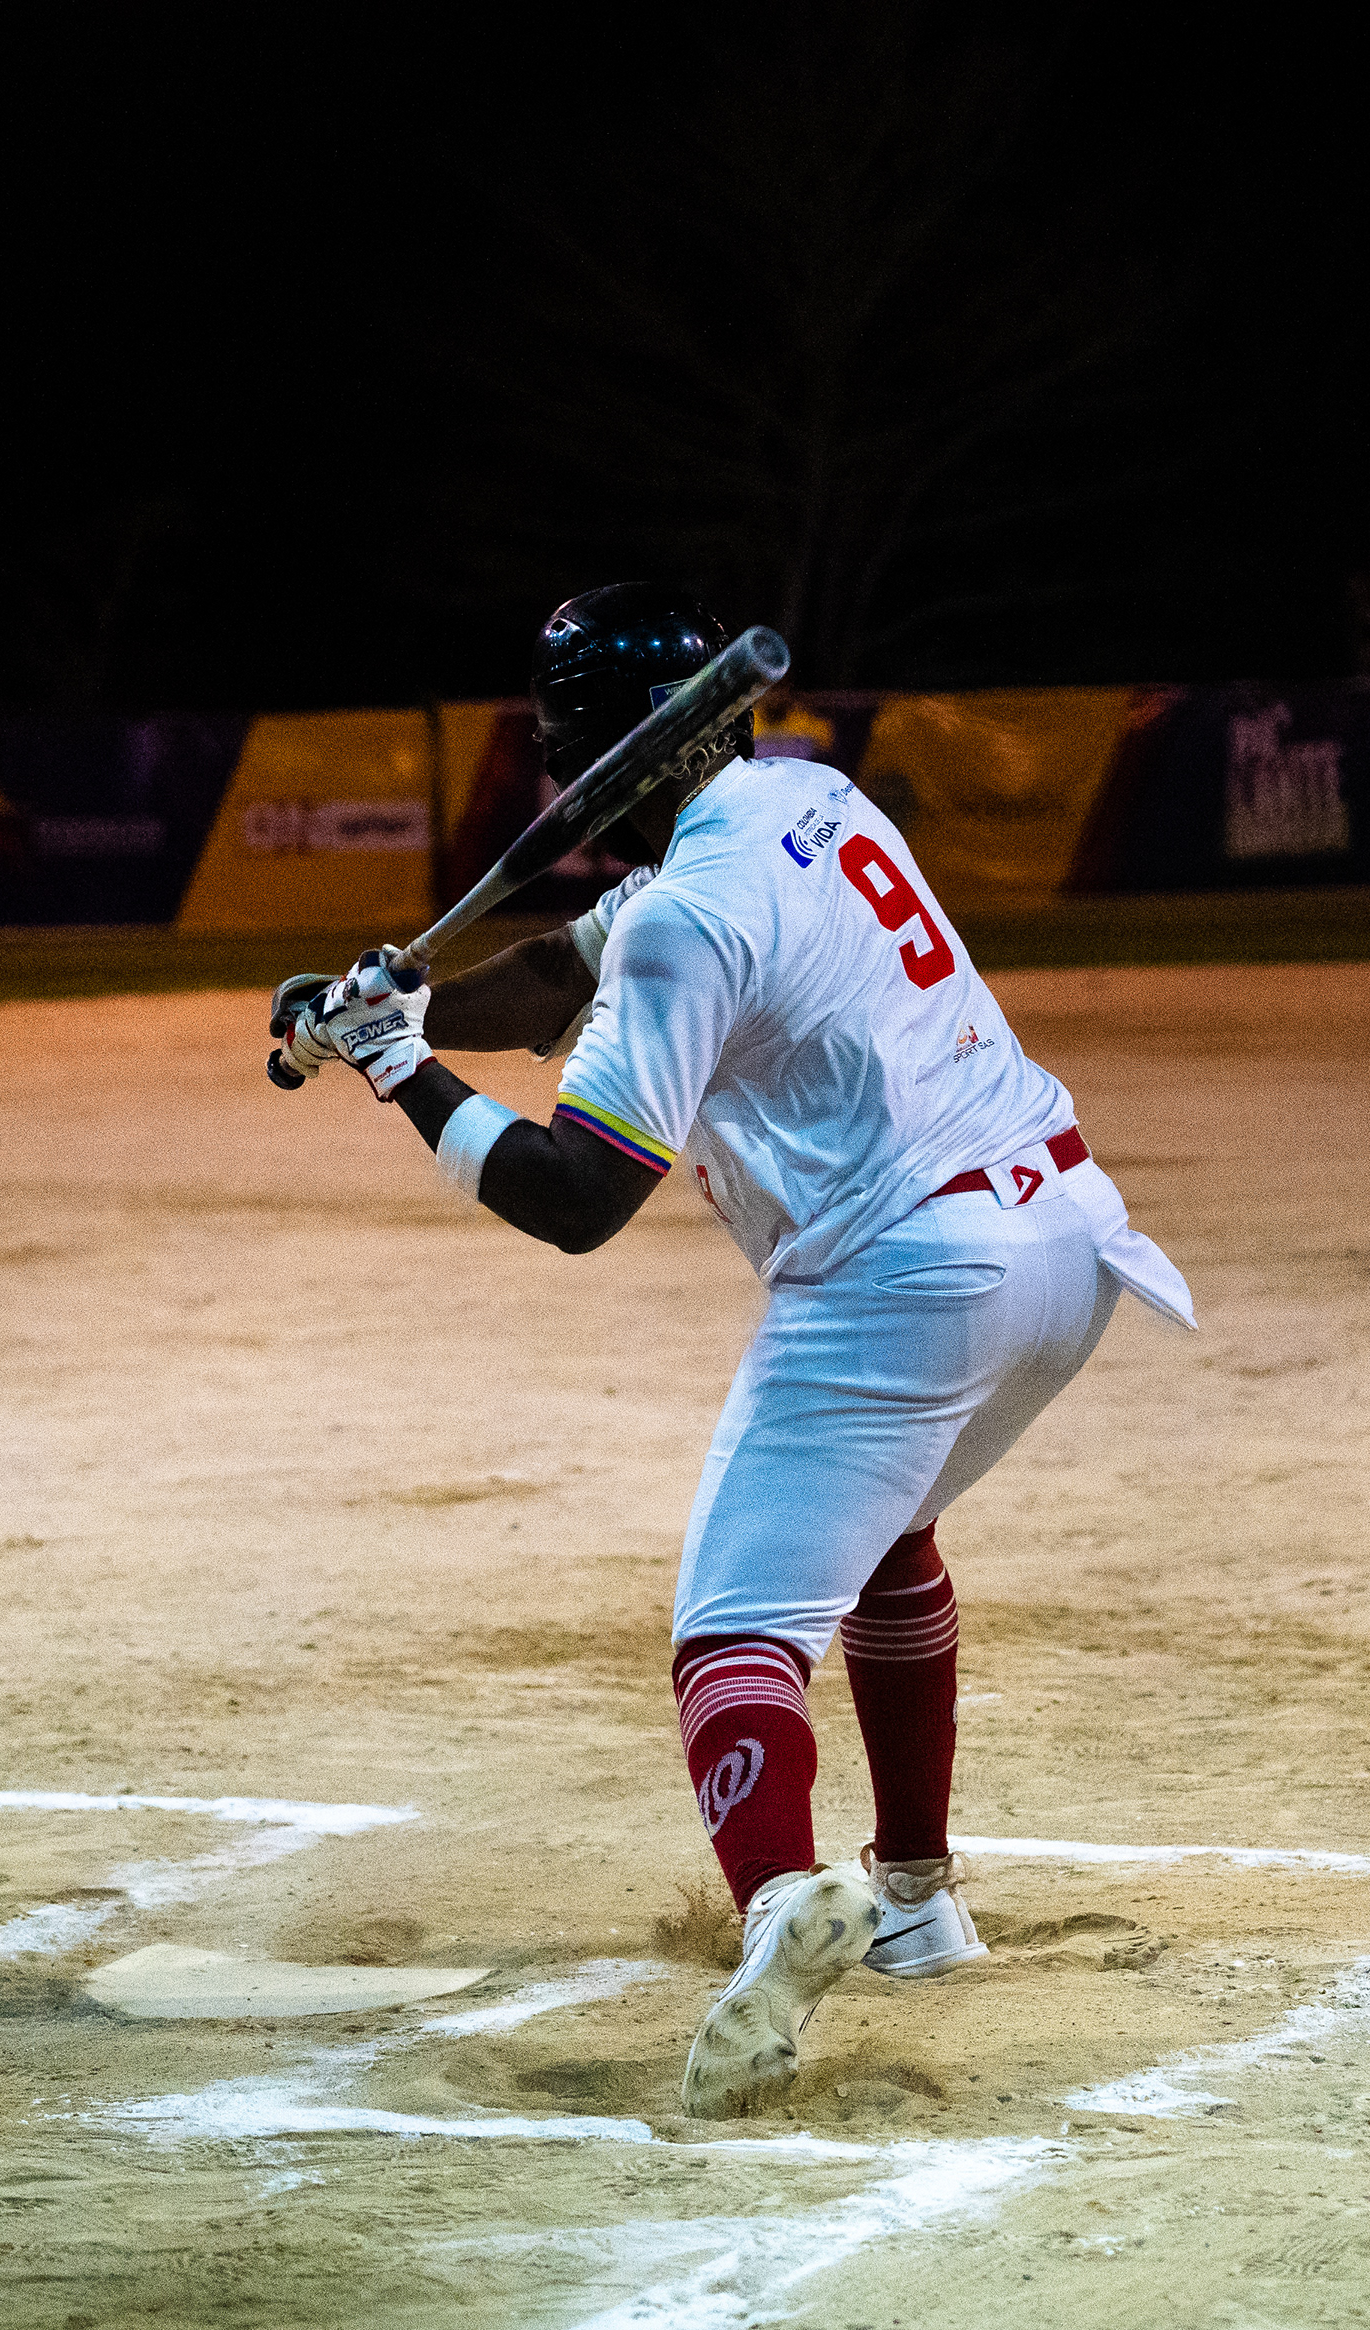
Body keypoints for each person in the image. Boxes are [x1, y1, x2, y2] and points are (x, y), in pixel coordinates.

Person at [275, 583, 1194, 2116]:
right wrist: (410, 1004)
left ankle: (780, 1900)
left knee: (734, 1641)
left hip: (911, 1279)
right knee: (887, 1534)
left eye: (562, 735)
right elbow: (567, 968)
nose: (550, 762)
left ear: (602, 748)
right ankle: (916, 1904)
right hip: (1066, 1245)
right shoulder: (803, 801)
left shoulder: (687, 916)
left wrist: (398, 1073)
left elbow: (576, 1199)